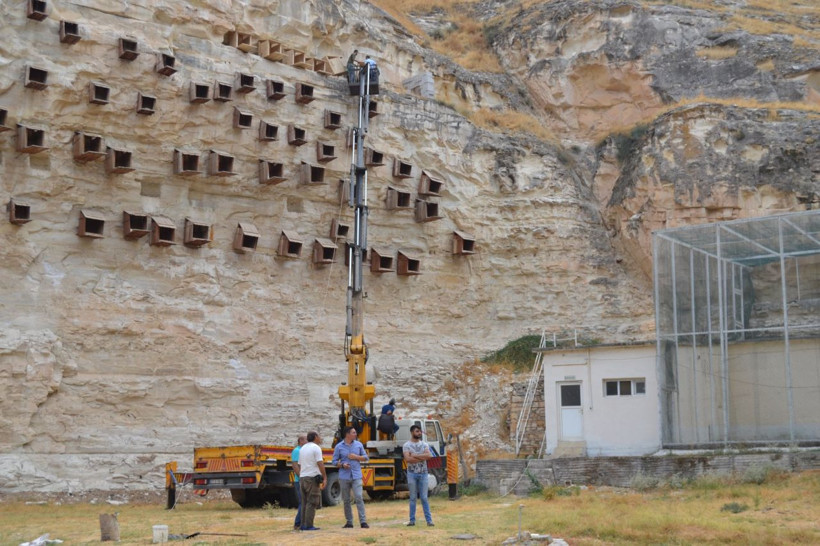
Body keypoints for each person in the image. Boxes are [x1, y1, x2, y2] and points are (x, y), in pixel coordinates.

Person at [331, 426, 369, 529]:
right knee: (346, 500)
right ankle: (349, 522)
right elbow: (334, 461)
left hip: (356, 475)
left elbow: (366, 458)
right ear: (347, 434)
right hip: (344, 476)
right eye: (354, 432)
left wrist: (356, 457)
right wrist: (342, 465)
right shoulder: (339, 447)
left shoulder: (359, 445)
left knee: (359, 497)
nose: (355, 434)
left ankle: (363, 521)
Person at [403, 424, 434, 526]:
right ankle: (412, 520)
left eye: (420, 431)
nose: (419, 433)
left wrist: (415, 455)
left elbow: (429, 456)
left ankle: (429, 521)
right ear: (412, 432)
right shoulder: (406, 445)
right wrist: (422, 457)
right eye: (417, 431)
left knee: (424, 498)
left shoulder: (424, 444)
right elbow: (408, 459)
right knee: (413, 498)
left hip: (423, 473)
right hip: (412, 474)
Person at [299, 431, 327, 531]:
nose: (320, 438)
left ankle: (302, 525)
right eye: (319, 436)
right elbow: (320, 463)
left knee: (304, 502)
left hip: (303, 477)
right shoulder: (316, 448)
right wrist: (324, 477)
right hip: (312, 478)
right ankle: (309, 525)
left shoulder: (303, 448)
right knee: (313, 502)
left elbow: (300, 464)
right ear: (315, 437)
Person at [291, 435, 306, 531]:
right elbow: (295, 466)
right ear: (301, 440)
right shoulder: (297, 451)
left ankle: (303, 522)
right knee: (303, 502)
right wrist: (301, 477)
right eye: (306, 439)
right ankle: (297, 523)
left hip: (303, 479)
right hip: (299, 480)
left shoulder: (303, 450)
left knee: (305, 502)